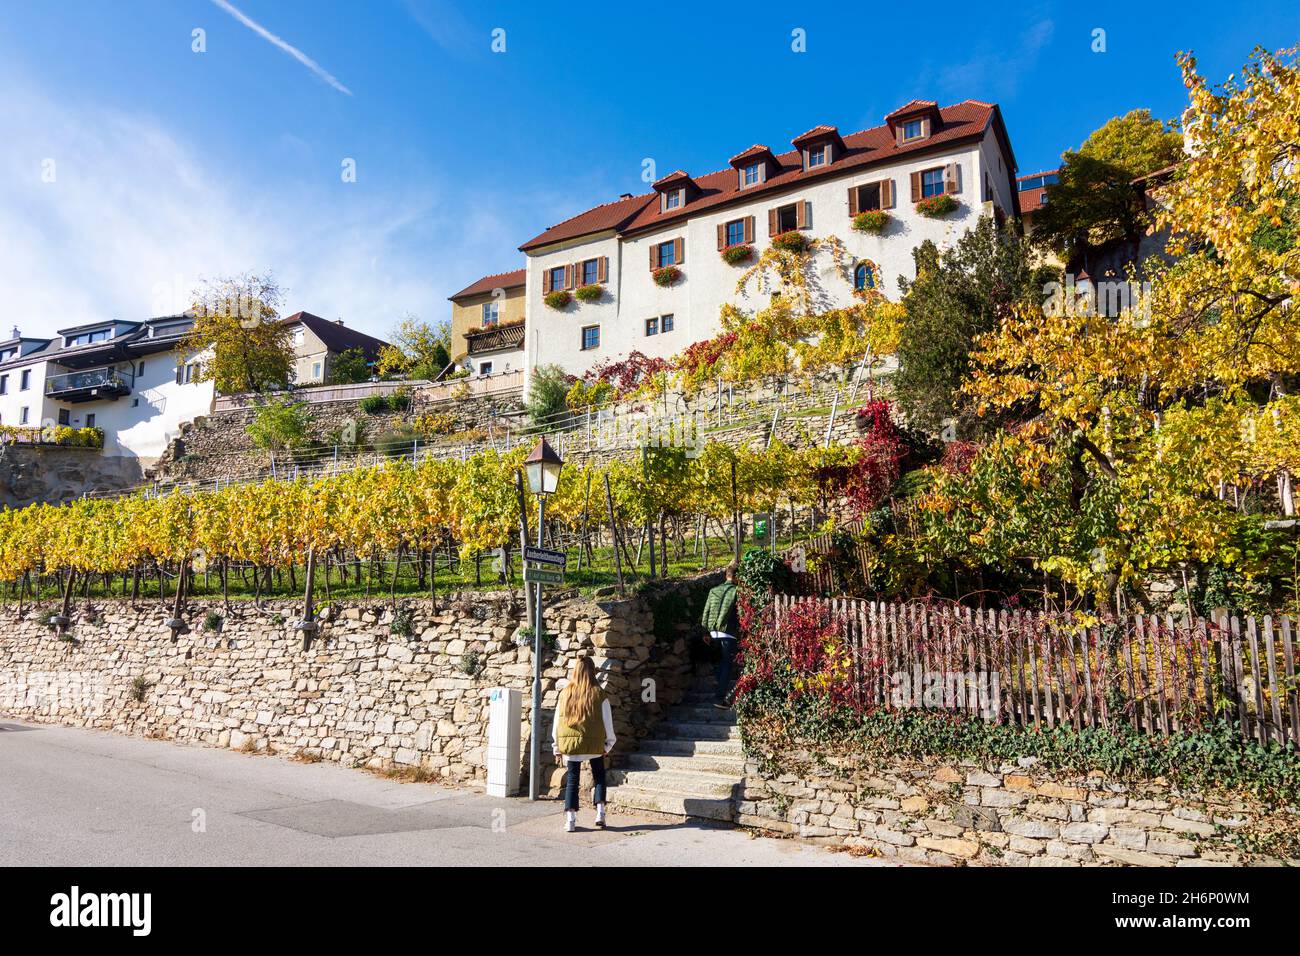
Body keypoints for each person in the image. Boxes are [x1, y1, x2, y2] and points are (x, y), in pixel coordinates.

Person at [552, 656, 616, 833]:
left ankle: (571, 820)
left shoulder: (565, 694)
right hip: (595, 745)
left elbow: (557, 723)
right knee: (599, 775)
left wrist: (556, 747)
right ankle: (600, 813)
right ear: (593, 671)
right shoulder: (599, 694)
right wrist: (608, 745)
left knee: (573, 779)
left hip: (571, 746)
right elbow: (607, 722)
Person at [700, 563, 740, 708]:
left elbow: (706, 612)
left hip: (712, 632)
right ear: (738, 577)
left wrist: (705, 632)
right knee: (726, 665)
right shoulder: (737, 591)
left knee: (719, 663)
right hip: (728, 633)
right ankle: (720, 698)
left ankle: (718, 683)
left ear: (726, 575)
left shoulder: (713, 590)